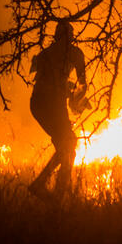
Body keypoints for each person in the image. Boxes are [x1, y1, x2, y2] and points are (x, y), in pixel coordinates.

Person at [27, 20, 87, 199]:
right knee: (68, 145)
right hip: (50, 103)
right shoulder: (75, 53)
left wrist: (70, 94)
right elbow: (81, 84)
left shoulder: (45, 54)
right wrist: (76, 100)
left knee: (67, 147)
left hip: (40, 103)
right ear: (71, 36)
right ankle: (56, 193)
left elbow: (49, 81)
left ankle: (50, 189)